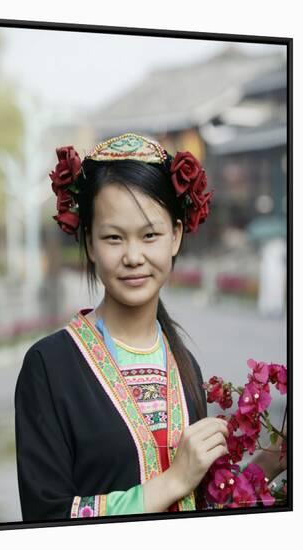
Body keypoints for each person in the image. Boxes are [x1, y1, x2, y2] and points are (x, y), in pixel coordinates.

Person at [14, 132, 227, 521]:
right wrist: (172, 481)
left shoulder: (185, 367)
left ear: (176, 236)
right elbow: (45, 516)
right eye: (114, 238)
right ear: (90, 243)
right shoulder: (48, 367)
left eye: (150, 235)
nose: (133, 256)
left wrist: (268, 465)